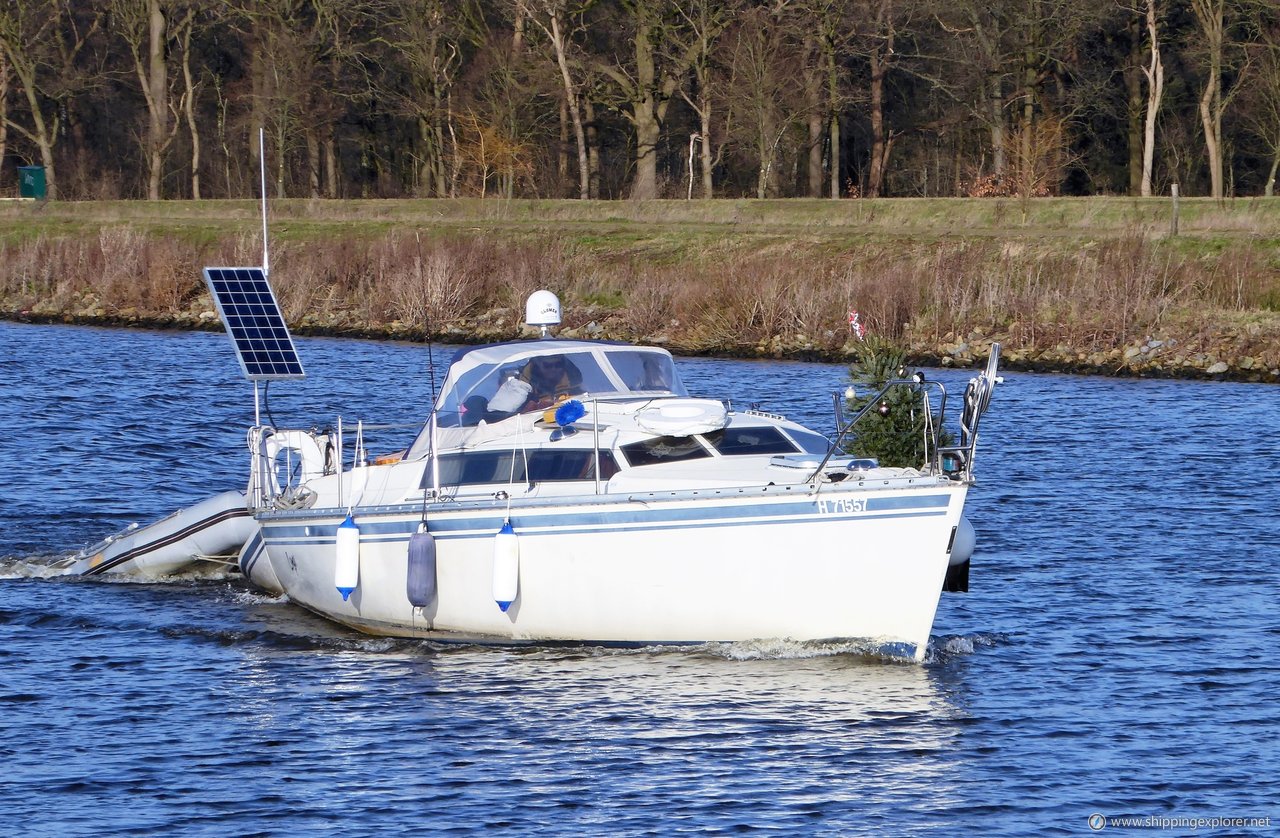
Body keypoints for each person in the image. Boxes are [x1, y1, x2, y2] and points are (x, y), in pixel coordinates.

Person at [518, 354, 583, 411]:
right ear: (538, 368)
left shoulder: (573, 386)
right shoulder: (524, 392)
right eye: (547, 365)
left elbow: (585, 401)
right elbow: (516, 416)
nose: (553, 369)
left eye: (558, 365)